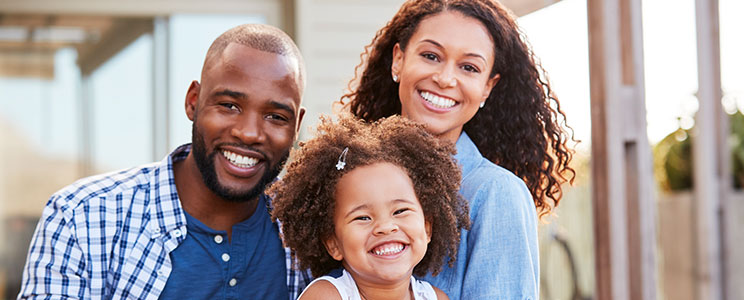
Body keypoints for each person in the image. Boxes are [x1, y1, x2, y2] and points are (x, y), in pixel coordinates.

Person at [18, 24, 310, 300]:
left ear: (296, 126)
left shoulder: (312, 232)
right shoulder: (81, 218)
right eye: (229, 105)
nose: (248, 133)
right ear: (193, 101)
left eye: (275, 117)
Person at [340, 0, 576, 298]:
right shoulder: (347, 174)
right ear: (398, 59)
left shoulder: (495, 194)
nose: (445, 78)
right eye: (430, 56)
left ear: (488, 87)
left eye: (468, 67)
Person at [269, 115, 470, 300]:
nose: (385, 226)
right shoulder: (326, 296)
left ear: (427, 228)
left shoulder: (436, 298)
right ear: (333, 243)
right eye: (363, 217)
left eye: (400, 211)